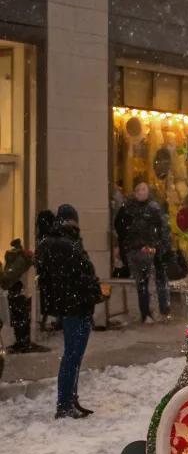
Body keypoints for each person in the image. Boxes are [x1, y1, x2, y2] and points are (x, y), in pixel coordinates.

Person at [35, 203, 101, 419]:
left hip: (71, 305)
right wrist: (93, 290)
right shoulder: (68, 244)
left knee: (72, 355)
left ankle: (69, 399)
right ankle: (65, 403)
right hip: (77, 306)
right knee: (73, 356)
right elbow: (80, 276)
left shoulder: (56, 242)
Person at [114, 180, 171, 324]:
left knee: (159, 279)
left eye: (144, 189)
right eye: (138, 189)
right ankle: (145, 313)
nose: (141, 192)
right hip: (137, 251)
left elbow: (163, 227)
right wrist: (127, 245)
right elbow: (120, 227)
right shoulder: (127, 208)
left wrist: (160, 245)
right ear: (134, 192)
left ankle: (164, 311)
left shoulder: (154, 208)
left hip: (154, 248)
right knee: (142, 282)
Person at [0, 236, 48, 353]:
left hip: (13, 291)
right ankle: (23, 342)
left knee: (19, 318)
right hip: (18, 291)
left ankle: (21, 342)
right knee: (21, 318)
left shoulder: (12, 257)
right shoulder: (21, 259)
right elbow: (12, 275)